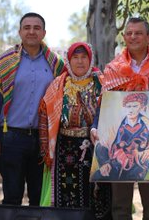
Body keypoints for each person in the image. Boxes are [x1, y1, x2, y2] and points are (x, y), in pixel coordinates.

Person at [96, 17, 149, 220]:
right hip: (120, 148)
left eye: (138, 33)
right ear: (124, 37)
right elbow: (104, 105)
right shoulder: (113, 68)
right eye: (129, 33)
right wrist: (97, 127)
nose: (133, 37)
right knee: (120, 206)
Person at [0, 12, 65, 206]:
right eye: (27, 27)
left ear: (44, 33)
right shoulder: (3, 64)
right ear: (20, 32)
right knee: (12, 196)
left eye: (36, 28)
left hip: (43, 140)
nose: (31, 32)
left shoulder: (56, 65)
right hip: (11, 138)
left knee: (39, 198)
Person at [38, 42, 111, 218]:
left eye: (84, 57)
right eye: (75, 58)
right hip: (64, 150)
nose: (80, 62)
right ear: (68, 61)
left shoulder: (103, 83)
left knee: (96, 196)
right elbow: (44, 113)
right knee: (66, 194)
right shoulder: (58, 85)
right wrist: (44, 148)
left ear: (90, 59)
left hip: (95, 148)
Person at [94, 92, 149, 181]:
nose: (131, 110)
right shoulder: (116, 126)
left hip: (137, 166)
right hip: (114, 164)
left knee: (131, 183)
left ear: (142, 108)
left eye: (135, 106)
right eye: (128, 106)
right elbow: (102, 145)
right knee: (97, 177)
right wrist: (105, 163)